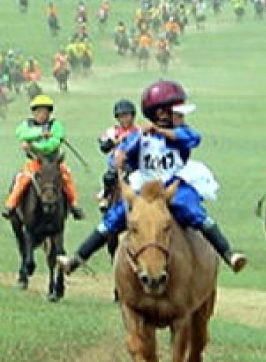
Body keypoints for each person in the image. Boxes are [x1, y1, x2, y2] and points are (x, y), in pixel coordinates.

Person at [58, 80, 247, 273]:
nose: (182, 117)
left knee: (191, 208)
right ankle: (77, 258)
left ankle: (228, 254)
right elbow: (123, 153)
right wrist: (120, 156)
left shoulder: (181, 132)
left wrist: (160, 131)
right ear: (161, 114)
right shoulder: (140, 137)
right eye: (178, 114)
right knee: (115, 216)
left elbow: (192, 138)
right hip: (146, 188)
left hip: (174, 185)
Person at [2, 95, 85, 220]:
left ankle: (74, 205)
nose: (41, 115)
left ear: (49, 113)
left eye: (44, 111)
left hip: (53, 162)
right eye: (38, 111)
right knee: (22, 178)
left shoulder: (56, 125)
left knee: (66, 176)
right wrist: (41, 133)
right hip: (35, 163)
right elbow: (21, 134)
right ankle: (10, 205)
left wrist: (33, 145)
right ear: (33, 112)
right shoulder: (27, 125)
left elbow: (52, 144)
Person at [95, 99, 139, 211]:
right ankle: (106, 196)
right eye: (121, 116)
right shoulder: (113, 131)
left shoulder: (139, 131)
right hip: (116, 167)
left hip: (134, 165)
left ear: (132, 116)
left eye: (126, 116)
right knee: (108, 177)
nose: (124, 119)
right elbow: (104, 147)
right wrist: (117, 140)